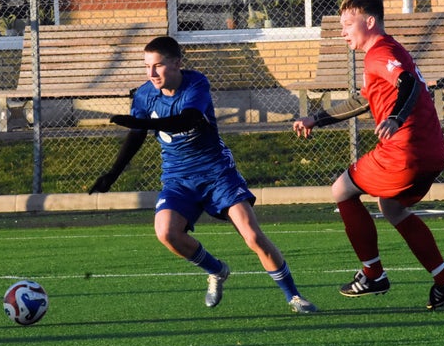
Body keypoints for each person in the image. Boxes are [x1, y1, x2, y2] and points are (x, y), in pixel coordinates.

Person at [90, 35, 317, 314]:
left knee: (252, 236)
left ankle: (294, 297)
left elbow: (188, 119)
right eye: (146, 66)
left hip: (217, 174)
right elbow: (137, 135)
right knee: (166, 233)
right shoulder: (145, 93)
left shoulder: (196, 83)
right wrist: (112, 174)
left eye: (158, 66)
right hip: (178, 178)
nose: (151, 74)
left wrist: (142, 122)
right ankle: (217, 270)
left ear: (176, 64)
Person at [292, 0, 444, 310]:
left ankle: (373, 275)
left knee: (341, 189)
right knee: (392, 208)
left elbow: (408, 83)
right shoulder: (390, 50)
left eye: (347, 24)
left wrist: (396, 118)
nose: (343, 31)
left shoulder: (379, 53)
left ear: (369, 22)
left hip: (405, 150)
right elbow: (363, 101)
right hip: (432, 151)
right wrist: (315, 118)